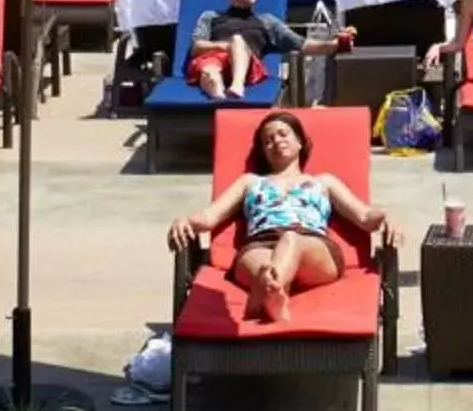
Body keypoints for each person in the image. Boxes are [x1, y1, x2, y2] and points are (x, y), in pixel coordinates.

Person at [168, 111, 392, 325]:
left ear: (300, 142)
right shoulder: (250, 182)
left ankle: (265, 295)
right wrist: (184, 220)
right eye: (268, 140)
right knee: (265, 268)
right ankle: (273, 293)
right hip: (259, 245)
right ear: (263, 151)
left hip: (311, 245)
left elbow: (364, 216)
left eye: (283, 134)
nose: (276, 141)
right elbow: (209, 217)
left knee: (290, 240)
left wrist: (386, 217)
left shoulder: (323, 182)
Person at [185, 0, 339, 99]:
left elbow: (302, 45)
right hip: (214, 62)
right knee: (210, 71)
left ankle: (237, 87)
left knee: (237, 40)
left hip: (247, 68)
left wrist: (335, 45)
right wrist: (225, 46)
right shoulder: (210, 17)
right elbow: (196, 47)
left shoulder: (267, 21)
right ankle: (219, 101)